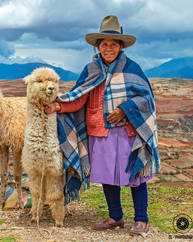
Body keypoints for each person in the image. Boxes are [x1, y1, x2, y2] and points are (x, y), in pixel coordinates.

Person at [45, 15, 160, 235]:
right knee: (108, 176)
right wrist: (58, 107)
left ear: (120, 47)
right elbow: (79, 97)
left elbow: (147, 99)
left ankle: (141, 219)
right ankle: (115, 217)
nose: (108, 48)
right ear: (98, 46)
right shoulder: (91, 69)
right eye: (104, 44)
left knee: (135, 176)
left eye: (113, 44)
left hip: (128, 132)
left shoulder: (132, 69)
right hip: (100, 131)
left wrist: (125, 109)